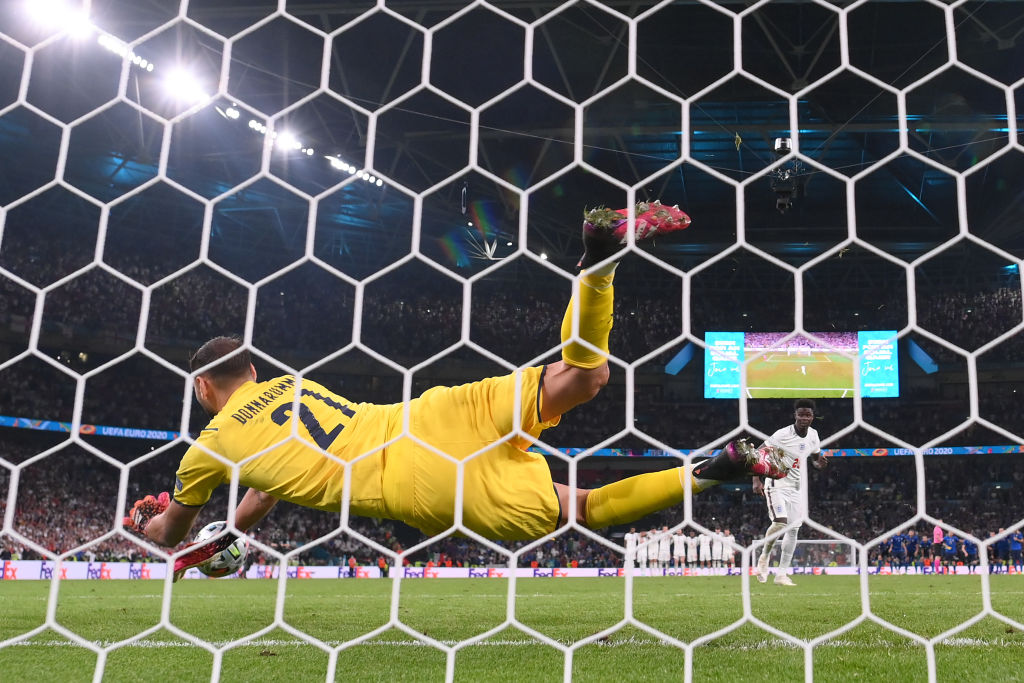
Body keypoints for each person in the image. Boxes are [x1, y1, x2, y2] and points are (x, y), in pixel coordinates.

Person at [124, 201, 790, 577]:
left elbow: (171, 526)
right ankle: (597, 272)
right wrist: (228, 535)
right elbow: (273, 481)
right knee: (585, 376)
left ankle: (707, 474)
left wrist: (151, 525)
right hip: (431, 413)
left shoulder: (210, 442)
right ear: (257, 373)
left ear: (205, 385)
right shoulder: (294, 385)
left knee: (583, 507)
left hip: (418, 479)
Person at [754, 399, 828, 587]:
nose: (804, 418)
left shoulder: (813, 435)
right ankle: (764, 557)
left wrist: (818, 464)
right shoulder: (782, 434)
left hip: (797, 488)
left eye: (807, 415)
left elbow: (815, 457)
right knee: (780, 522)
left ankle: (781, 575)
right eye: (800, 414)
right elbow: (757, 453)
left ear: (813, 417)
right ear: (795, 415)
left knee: (794, 529)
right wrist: (756, 479)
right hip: (776, 483)